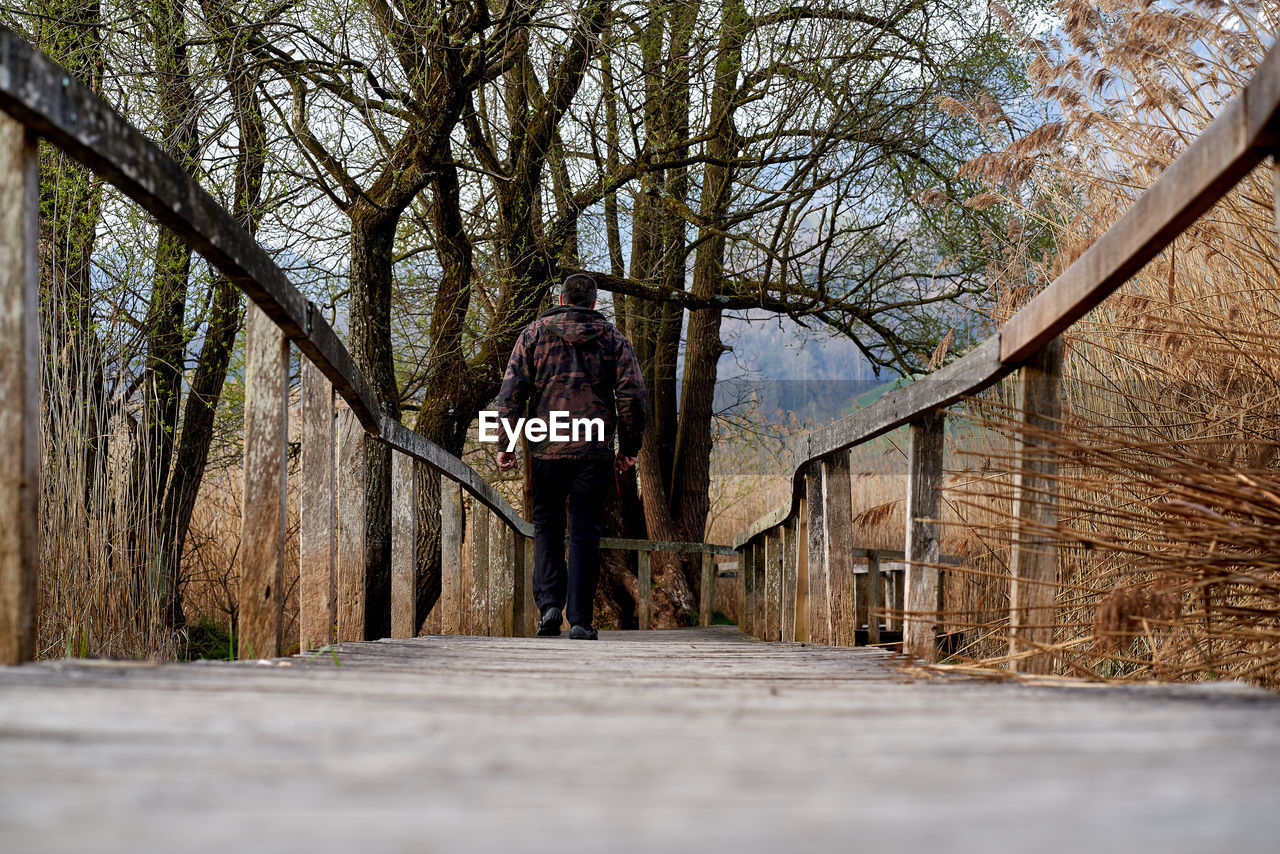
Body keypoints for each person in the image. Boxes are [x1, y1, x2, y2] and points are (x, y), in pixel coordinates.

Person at [493, 273, 647, 640]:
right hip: (593, 451)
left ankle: (549, 607)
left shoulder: (533, 335)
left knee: (546, 526)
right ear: (593, 303)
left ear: (561, 300)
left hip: (545, 449)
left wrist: (505, 444)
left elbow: (511, 393)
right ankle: (579, 619)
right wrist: (628, 449)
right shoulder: (613, 339)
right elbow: (632, 397)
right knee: (585, 533)